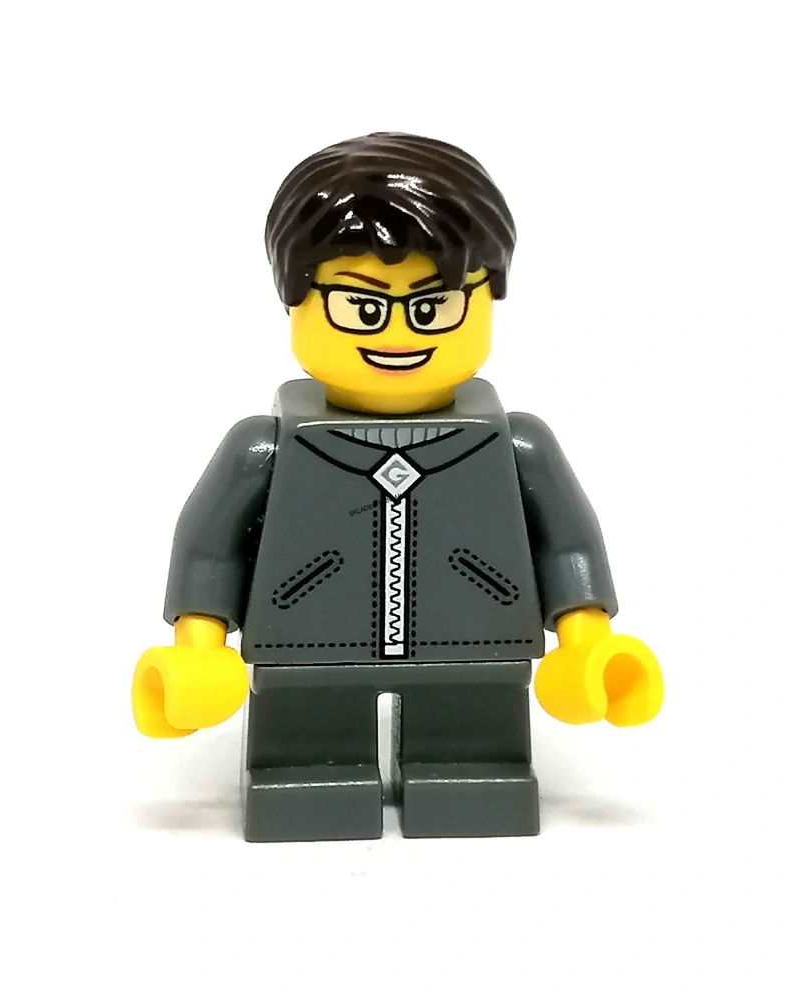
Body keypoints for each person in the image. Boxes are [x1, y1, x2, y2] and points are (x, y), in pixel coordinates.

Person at [132, 132, 664, 842]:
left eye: (432, 306)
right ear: (295, 300)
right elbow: (211, 548)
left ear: (488, 296)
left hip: (476, 648)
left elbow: (566, 542)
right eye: (361, 306)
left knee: (473, 759)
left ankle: (470, 777)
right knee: (305, 762)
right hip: (306, 650)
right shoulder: (264, 447)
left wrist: (587, 639)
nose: (398, 336)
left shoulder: (518, 446)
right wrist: (198, 648)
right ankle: (306, 784)